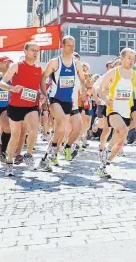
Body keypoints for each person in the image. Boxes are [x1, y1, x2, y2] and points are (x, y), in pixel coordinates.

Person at [39, 36, 86, 170]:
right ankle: (52, 153)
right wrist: (44, 94)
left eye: (73, 45)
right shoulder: (55, 62)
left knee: (76, 127)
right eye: (69, 46)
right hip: (55, 98)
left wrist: (83, 88)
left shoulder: (77, 63)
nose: (71, 48)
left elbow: (82, 78)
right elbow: (43, 79)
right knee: (61, 124)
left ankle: (64, 148)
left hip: (69, 101)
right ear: (63, 47)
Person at [96, 48, 136, 178]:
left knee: (120, 142)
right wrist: (106, 99)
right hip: (113, 110)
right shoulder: (113, 72)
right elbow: (100, 89)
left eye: (133, 58)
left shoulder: (135, 74)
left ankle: (104, 164)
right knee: (122, 129)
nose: (132, 61)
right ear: (122, 59)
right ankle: (106, 152)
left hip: (126, 112)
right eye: (129, 58)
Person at [0, 42, 42, 175]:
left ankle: (28, 155)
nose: (35, 53)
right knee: (15, 136)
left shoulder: (39, 69)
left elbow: (38, 88)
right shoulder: (16, 66)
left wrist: (43, 96)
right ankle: (9, 162)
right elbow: (2, 83)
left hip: (31, 106)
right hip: (15, 106)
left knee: (34, 130)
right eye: (33, 50)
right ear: (25, 51)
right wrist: (11, 88)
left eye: (37, 51)